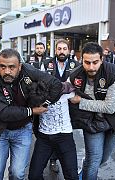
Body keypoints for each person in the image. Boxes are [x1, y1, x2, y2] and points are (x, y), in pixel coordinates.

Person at [0, 48, 63, 180]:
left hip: (22, 129)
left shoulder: (28, 70)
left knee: (18, 173)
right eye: (2, 67)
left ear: (20, 66)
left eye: (11, 67)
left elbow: (55, 84)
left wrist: (45, 103)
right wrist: (32, 111)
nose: (7, 71)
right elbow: (4, 112)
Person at [69, 42, 115, 180]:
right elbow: (63, 91)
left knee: (102, 159)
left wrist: (81, 102)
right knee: (94, 159)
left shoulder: (114, 72)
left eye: (95, 62)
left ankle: (84, 169)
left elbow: (110, 107)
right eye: (87, 62)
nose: (91, 67)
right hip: (92, 123)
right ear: (81, 60)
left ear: (102, 59)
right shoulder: (75, 75)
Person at [38, 38, 80, 174]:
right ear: (55, 50)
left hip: (69, 106)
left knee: (64, 135)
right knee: (49, 135)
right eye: (59, 49)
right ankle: (52, 159)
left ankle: (60, 158)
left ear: (69, 50)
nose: (62, 51)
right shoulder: (46, 64)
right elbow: (42, 83)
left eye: (64, 49)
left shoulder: (76, 65)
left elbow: (78, 85)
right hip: (50, 105)